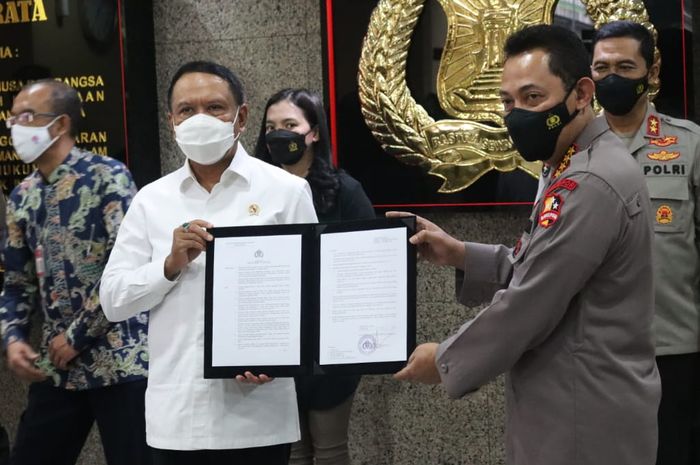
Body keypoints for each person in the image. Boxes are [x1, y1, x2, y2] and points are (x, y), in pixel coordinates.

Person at [389, 25, 660, 465]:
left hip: (582, 416)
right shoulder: (570, 163)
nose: (516, 114)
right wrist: (457, 252)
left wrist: (444, 360)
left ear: (581, 93)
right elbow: (540, 261)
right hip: (570, 399)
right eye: (508, 101)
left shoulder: (589, 180)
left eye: (533, 98)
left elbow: (531, 300)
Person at [99, 61, 318, 465]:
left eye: (215, 107)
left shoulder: (287, 192)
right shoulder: (152, 199)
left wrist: (280, 354)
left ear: (241, 117)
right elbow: (113, 300)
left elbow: (311, 295)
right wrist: (167, 265)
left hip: (258, 415)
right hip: (177, 417)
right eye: (186, 110)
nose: (199, 118)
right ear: (171, 121)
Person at [0, 79, 149, 465]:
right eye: (12, 118)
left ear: (61, 124)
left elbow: (128, 266)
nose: (16, 126)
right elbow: (16, 282)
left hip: (120, 360)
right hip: (58, 366)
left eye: (27, 117)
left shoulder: (107, 177)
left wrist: (77, 335)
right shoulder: (22, 196)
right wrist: (13, 337)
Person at [592, 20, 700, 465]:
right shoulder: (570, 150)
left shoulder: (689, 145)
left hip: (673, 350)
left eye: (624, 66)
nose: (611, 77)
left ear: (651, 70)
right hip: (597, 355)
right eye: (600, 68)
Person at [254, 88, 375, 465]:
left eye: (290, 125)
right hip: (274, 340)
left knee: (329, 449)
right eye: (271, 127)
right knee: (290, 452)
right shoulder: (252, 193)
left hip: (331, 346)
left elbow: (369, 266)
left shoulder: (345, 191)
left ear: (314, 133)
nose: (279, 135)